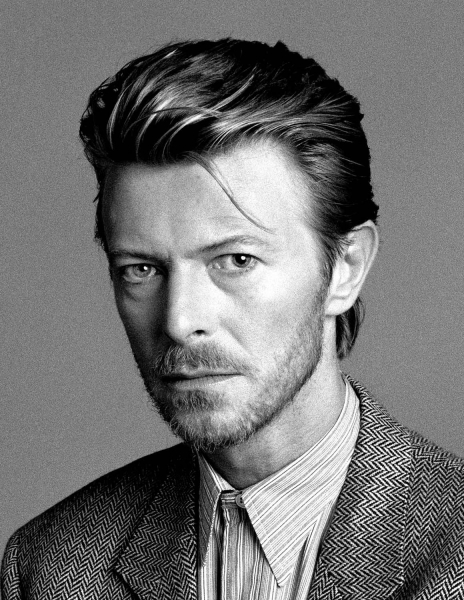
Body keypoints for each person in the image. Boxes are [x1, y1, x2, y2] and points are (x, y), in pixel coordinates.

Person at [2, 38, 464, 600]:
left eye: (236, 260)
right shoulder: (48, 567)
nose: (179, 321)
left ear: (345, 268)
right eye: (141, 269)